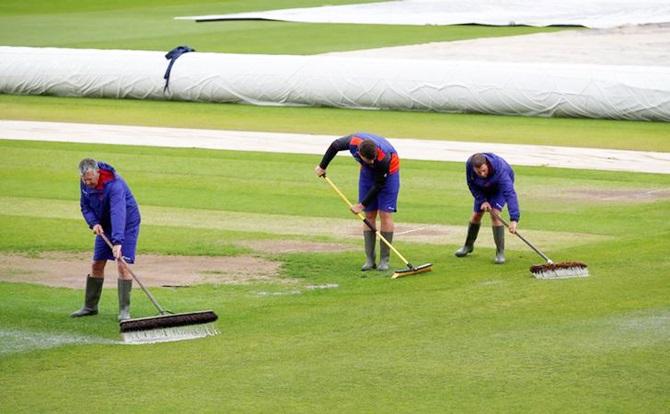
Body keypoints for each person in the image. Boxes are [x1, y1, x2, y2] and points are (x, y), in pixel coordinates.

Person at [315, 132, 400, 271]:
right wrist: (322, 166)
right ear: (360, 154)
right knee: (369, 215)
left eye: (373, 159)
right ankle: (370, 260)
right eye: (369, 160)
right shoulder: (352, 142)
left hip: (389, 174)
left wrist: (361, 205)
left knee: (385, 214)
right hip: (367, 173)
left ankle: (384, 260)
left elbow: (379, 185)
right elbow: (334, 146)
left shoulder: (384, 158)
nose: (372, 162)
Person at [71, 158, 141, 321]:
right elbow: (85, 206)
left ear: (98, 173)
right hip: (104, 224)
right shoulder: (85, 183)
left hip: (126, 224)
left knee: (122, 264)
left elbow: (118, 213)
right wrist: (93, 223)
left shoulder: (114, 184)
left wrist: (117, 242)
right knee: (97, 264)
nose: (87, 182)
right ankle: (90, 307)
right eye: (84, 179)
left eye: (90, 179)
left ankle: (124, 311)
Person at [454, 153, 519, 264]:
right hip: (482, 188)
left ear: (487, 165)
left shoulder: (501, 171)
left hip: (498, 188)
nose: (482, 174)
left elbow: (510, 194)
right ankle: (468, 246)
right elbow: (471, 184)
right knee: (476, 215)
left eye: (484, 170)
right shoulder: (469, 165)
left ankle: (500, 253)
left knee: (495, 214)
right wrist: (482, 200)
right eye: (478, 172)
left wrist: (514, 219)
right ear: (474, 168)